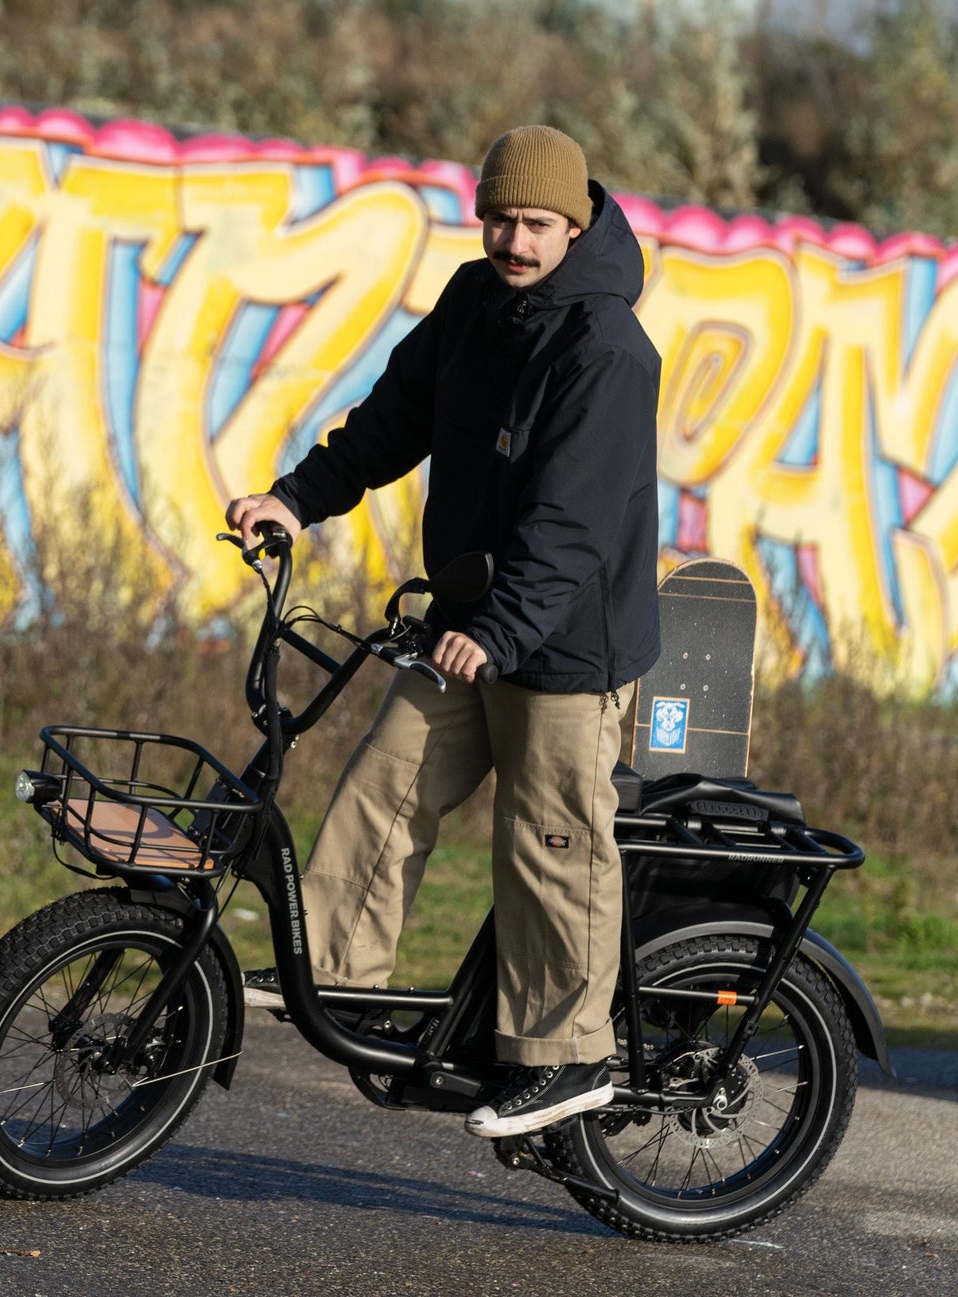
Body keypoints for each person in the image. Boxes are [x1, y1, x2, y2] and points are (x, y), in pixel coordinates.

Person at [225, 125, 662, 1139]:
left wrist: (500, 630)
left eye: (536, 224)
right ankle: (331, 972)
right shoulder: (475, 302)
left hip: (563, 648)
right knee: (384, 782)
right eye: (500, 218)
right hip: (473, 620)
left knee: (549, 841)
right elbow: (394, 416)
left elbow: (571, 524)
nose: (514, 239)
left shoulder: (603, 348)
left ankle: (568, 1056)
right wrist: (298, 498)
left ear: (575, 224)